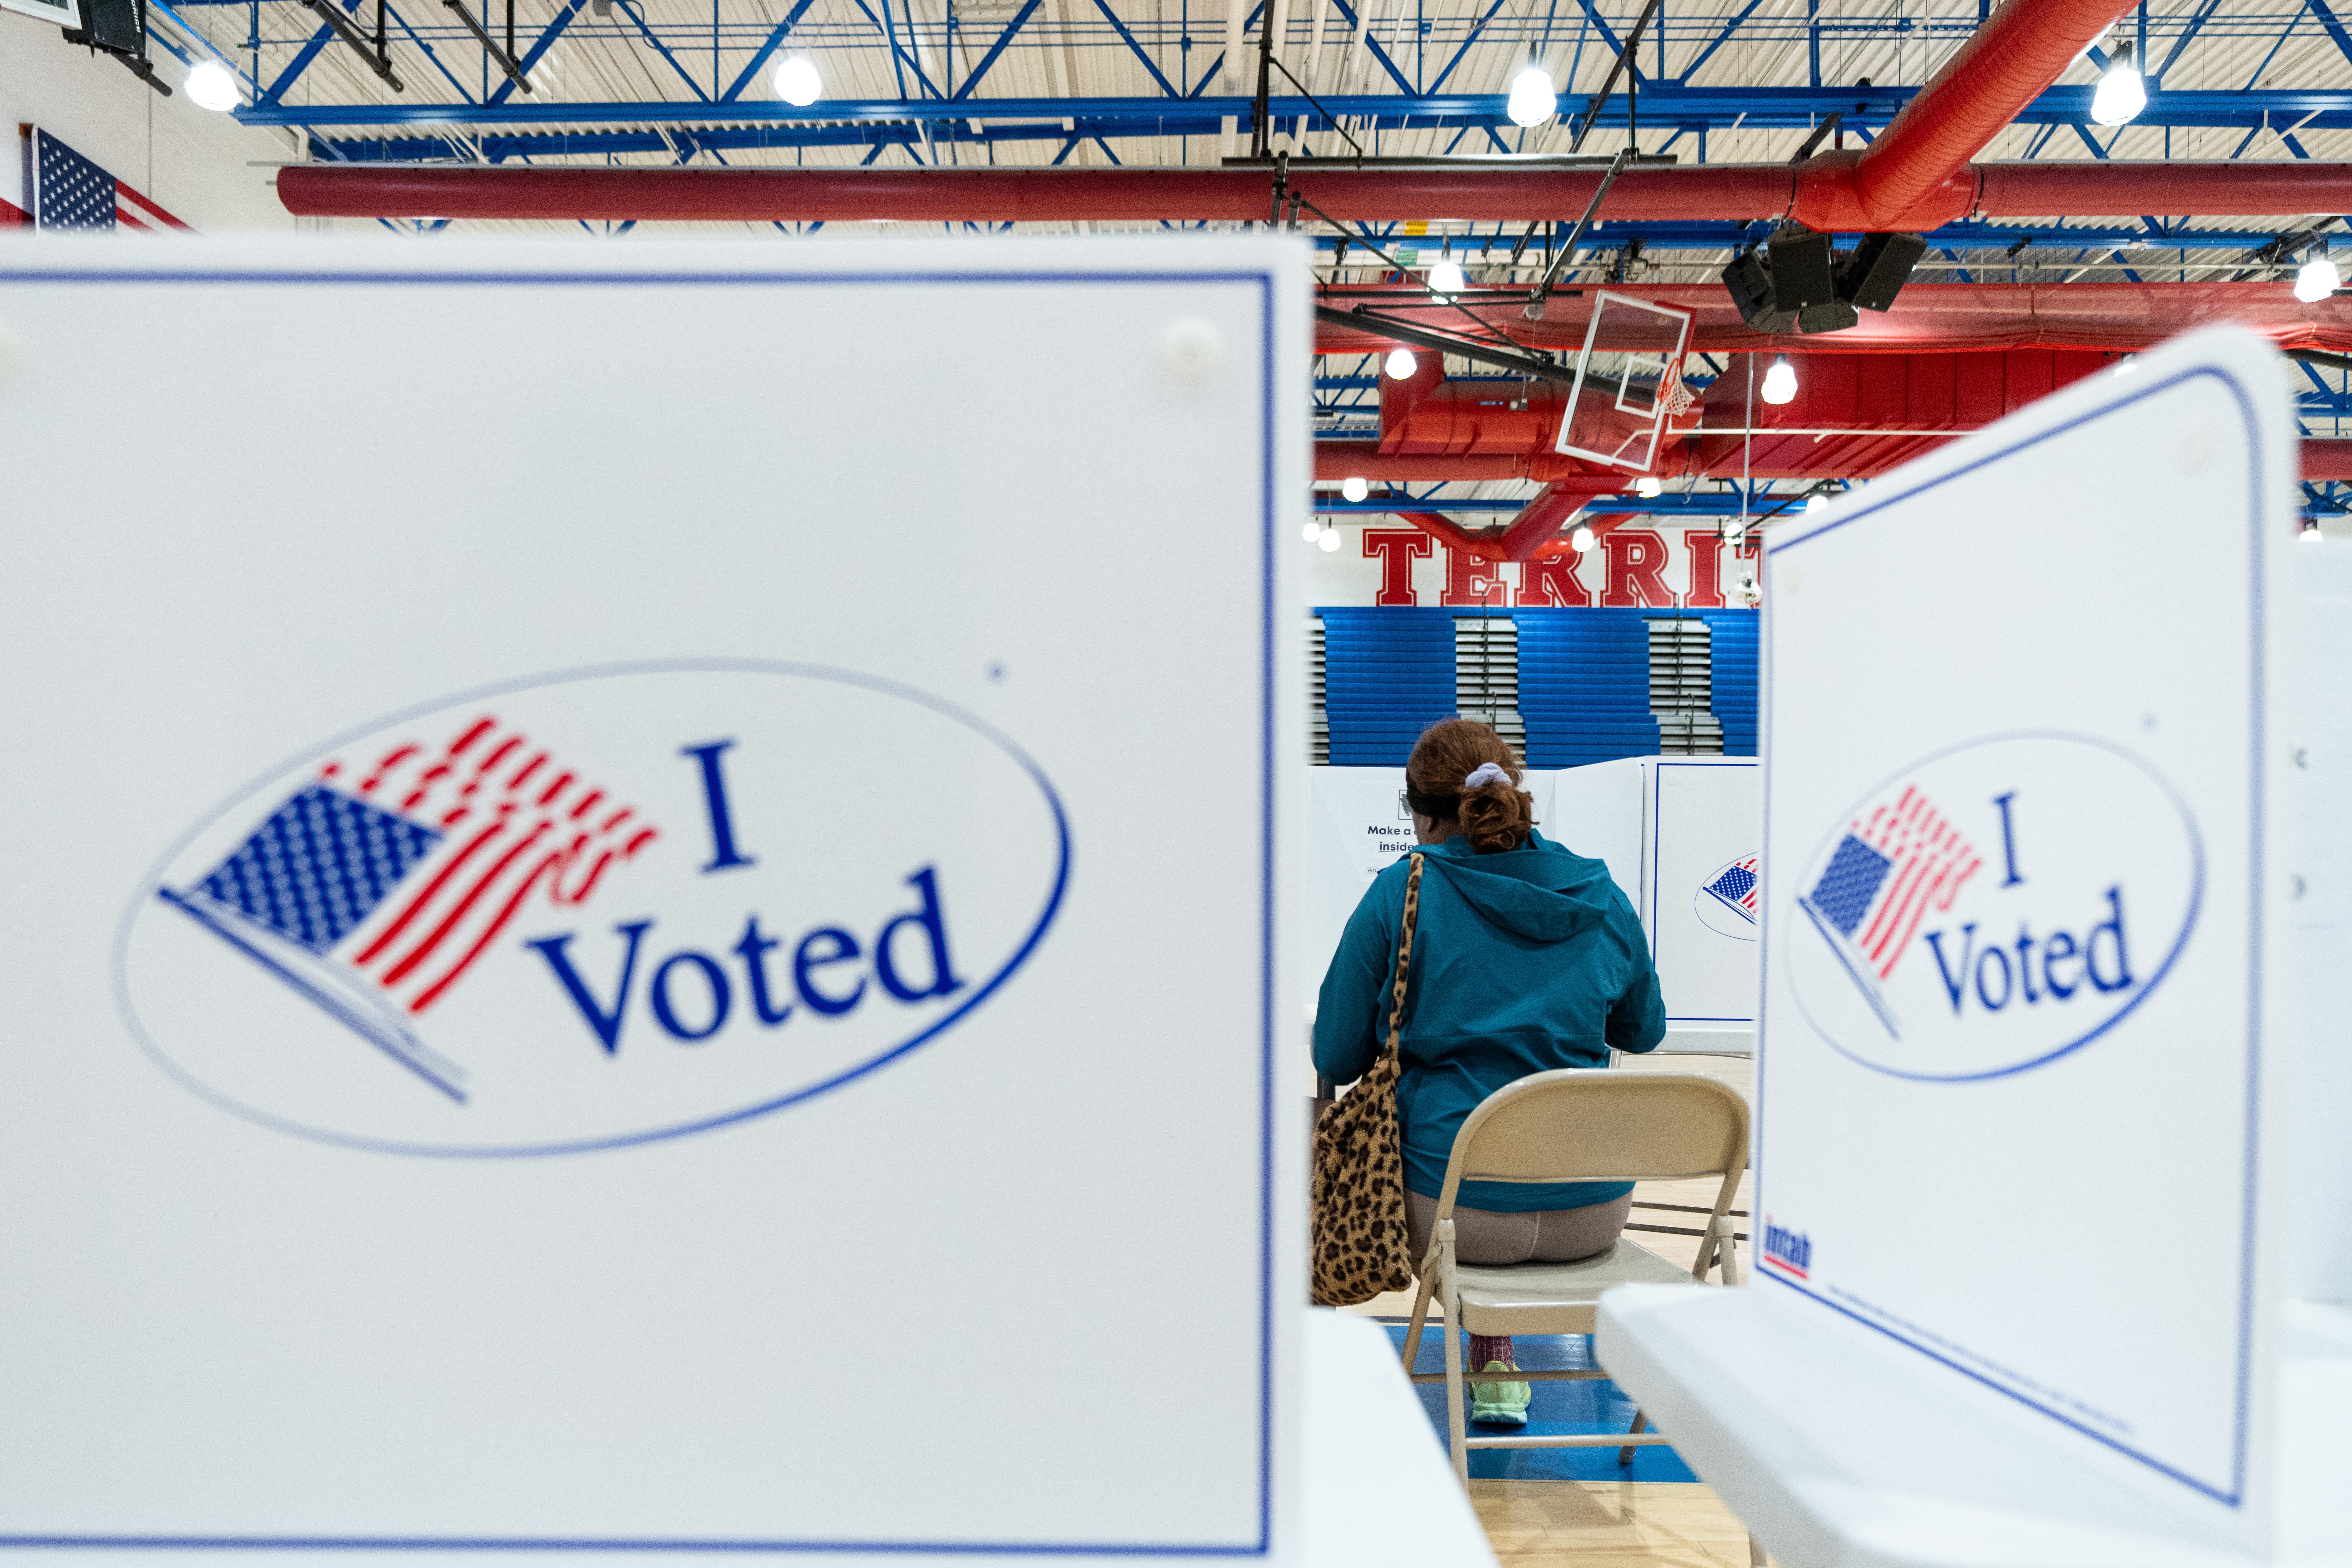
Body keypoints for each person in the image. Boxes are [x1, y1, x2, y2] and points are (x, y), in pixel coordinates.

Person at [1312, 718, 1665, 1425]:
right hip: (1592, 1213)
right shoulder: (1599, 893)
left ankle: (1307, 1373)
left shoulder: (1402, 889)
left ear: (1420, 811)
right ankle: (1493, 1356)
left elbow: (1335, 1055)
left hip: (1457, 1217)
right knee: (1511, 1134)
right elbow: (1644, 1032)